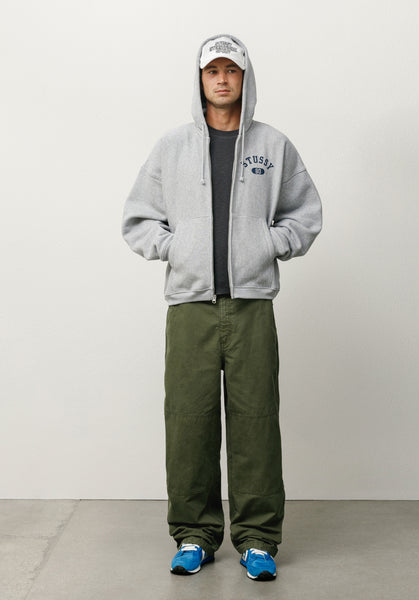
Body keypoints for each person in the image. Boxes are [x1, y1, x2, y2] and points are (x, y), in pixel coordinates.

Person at [121, 34, 322, 581]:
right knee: (189, 422)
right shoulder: (172, 147)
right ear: (201, 79)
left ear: (244, 77)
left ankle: (257, 539)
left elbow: (305, 213)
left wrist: (268, 243)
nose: (223, 79)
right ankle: (194, 534)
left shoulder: (273, 145)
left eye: (232, 69)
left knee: (256, 422)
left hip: (252, 305)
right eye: (213, 70)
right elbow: (138, 218)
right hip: (190, 306)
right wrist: (177, 247)